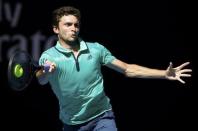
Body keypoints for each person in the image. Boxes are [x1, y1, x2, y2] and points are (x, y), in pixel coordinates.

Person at [36, 6, 192, 131]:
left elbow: (128, 69)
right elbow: (41, 80)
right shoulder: (49, 56)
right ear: (56, 29)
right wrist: (45, 71)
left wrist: (164, 74)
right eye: (68, 24)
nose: (74, 28)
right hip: (71, 123)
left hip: (102, 117)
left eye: (76, 25)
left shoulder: (96, 49)